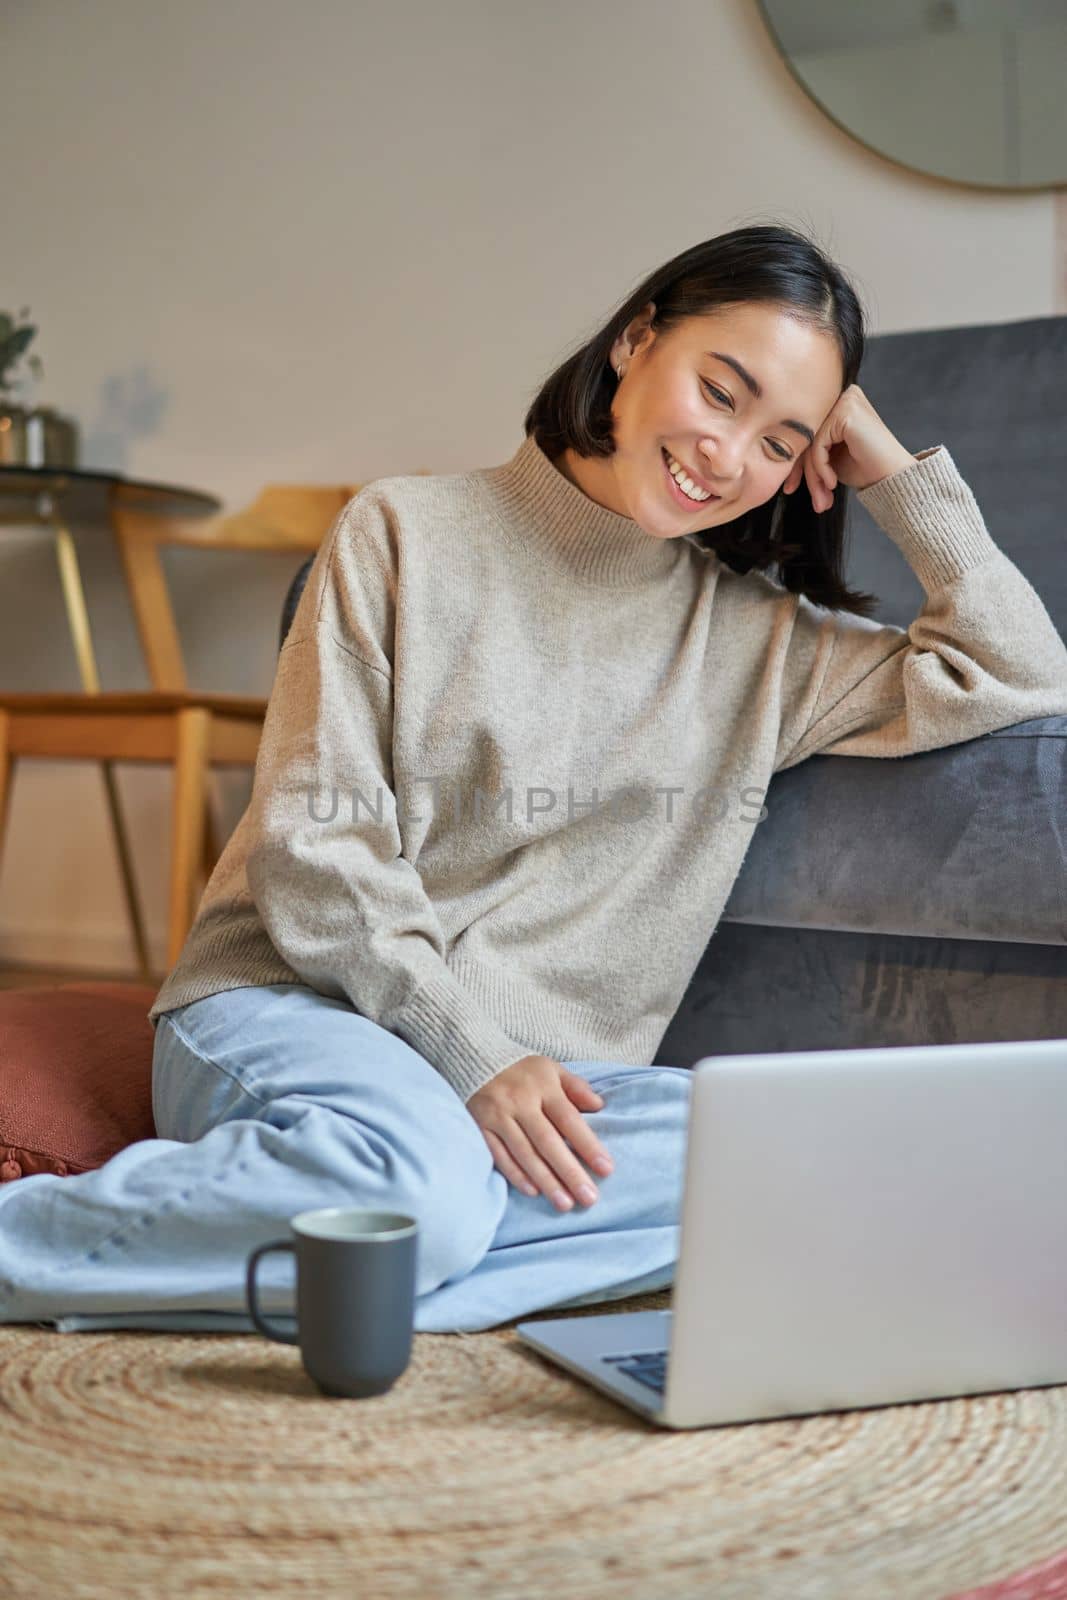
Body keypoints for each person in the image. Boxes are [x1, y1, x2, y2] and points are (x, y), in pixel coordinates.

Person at [2, 222, 1066, 1336]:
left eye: (776, 438)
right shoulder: (405, 530)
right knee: (417, 1189)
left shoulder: (767, 646)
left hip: (544, 1094)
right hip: (304, 1006)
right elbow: (313, 851)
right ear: (635, 338)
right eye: (719, 390)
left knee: (789, 1167)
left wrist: (889, 466)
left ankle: (398, 1275)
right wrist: (472, 1057)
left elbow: (1021, 676)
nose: (725, 453)